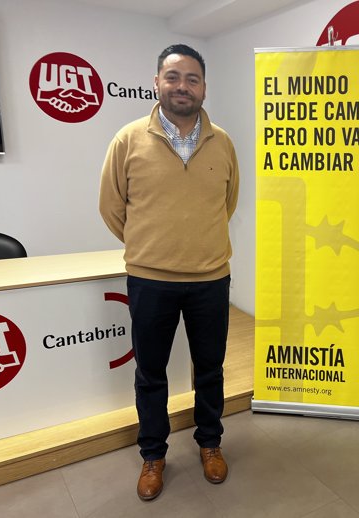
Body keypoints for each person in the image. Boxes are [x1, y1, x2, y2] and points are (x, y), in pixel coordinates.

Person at [99, 44, 239, 501]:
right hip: (150, 281)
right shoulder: (128, 139)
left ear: (203, 86)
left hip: (209, 279)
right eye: (173, 77)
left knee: (211, 369)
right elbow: (112, 208)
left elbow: (227, 203)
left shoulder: (223, 142)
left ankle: (210, 443)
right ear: (156, 82)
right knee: (151, 373)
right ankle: (153, 455)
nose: (183, 86)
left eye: (192, 78)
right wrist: (152, 247)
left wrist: (197, 243)